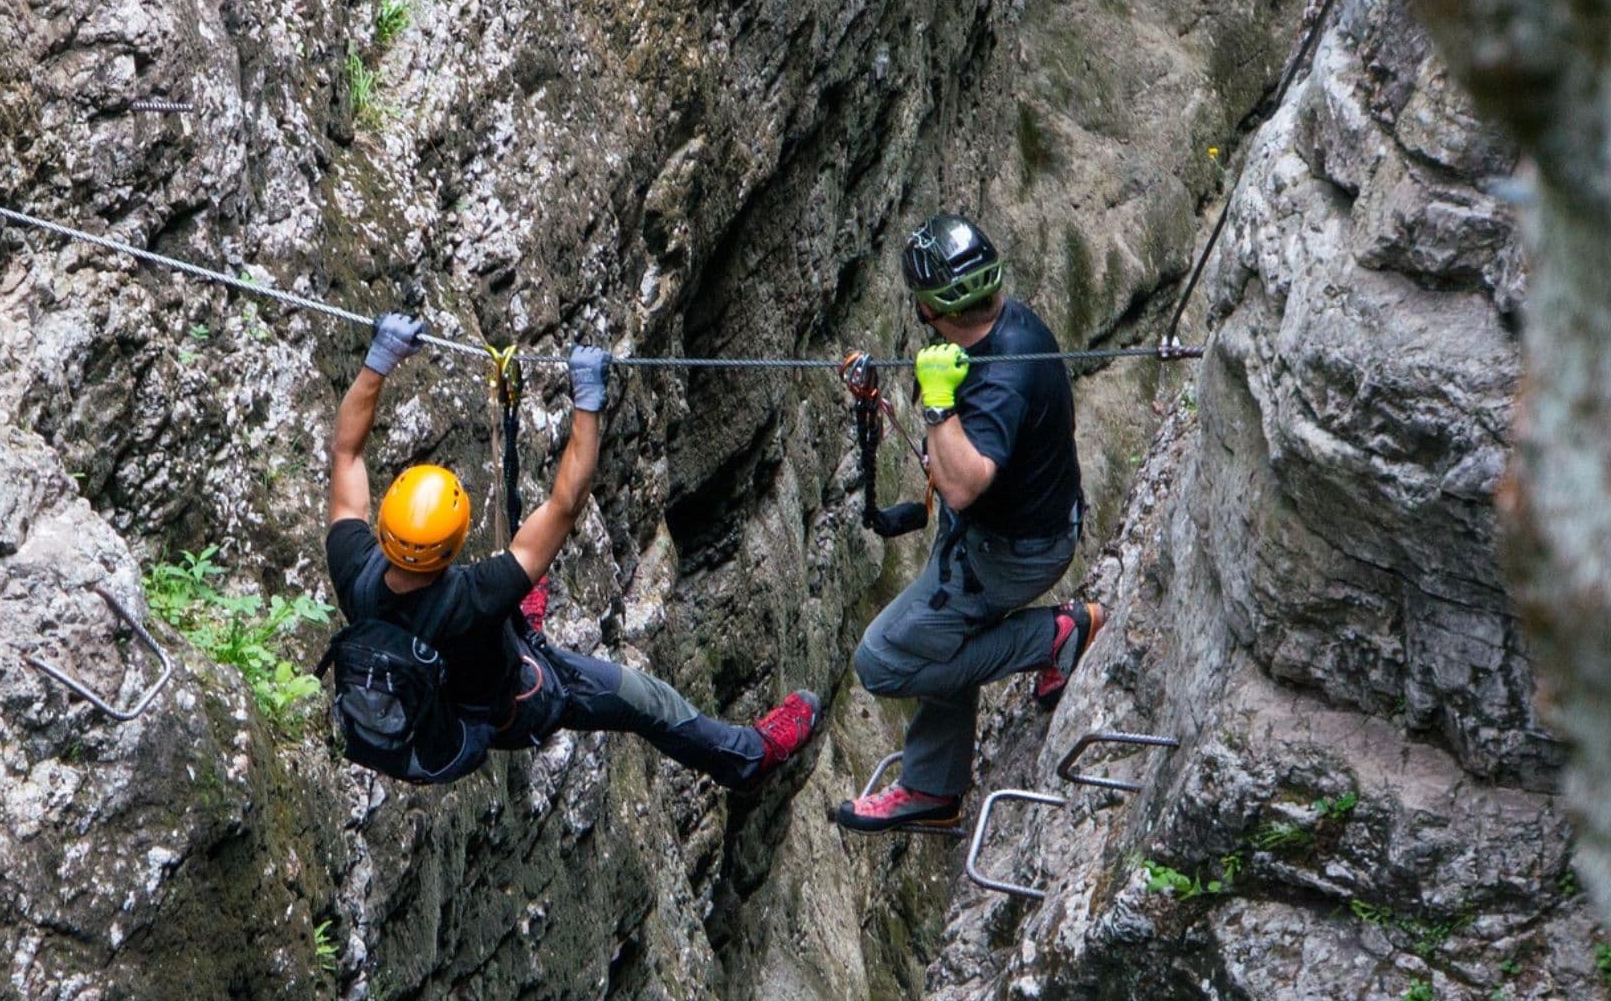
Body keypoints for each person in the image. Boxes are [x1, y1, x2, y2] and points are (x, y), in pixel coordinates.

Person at [325, 312, 823, 789]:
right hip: (520, 705)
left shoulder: (354, 567)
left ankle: (521, 624)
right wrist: (588, 399)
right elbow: (565, 505)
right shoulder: (477, 597)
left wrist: (378, 360)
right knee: (647, 700)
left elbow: (346, 453)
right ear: (455, 544)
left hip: (433, 699)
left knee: (515, 578)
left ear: (383, 523)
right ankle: (747, 758)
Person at [832, 214, 1102, 833]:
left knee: (881, 660)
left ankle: (1055, 638)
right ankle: (933, 788)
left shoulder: (1004, 372)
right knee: (934, 632)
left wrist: (935, 402)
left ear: (928, 311)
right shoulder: (1004, 330)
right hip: (1018, 529)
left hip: (1011, 552)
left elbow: (960, 483)